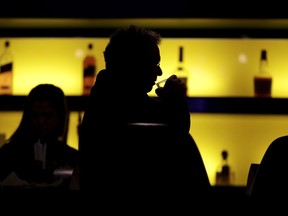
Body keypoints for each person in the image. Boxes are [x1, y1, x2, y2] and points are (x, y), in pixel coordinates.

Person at [79, 25, 210, 208]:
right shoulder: (127, 106)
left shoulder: (103, 98)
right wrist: (174, 101)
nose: (160, 72)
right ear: (133, 66)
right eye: (154, 64)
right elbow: (177, 138)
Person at [0, 84, 79, 190]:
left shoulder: (71, 158)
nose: (41, 121)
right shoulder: (8, 154)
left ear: (60, 116)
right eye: (36, 115)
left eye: (48, 116)